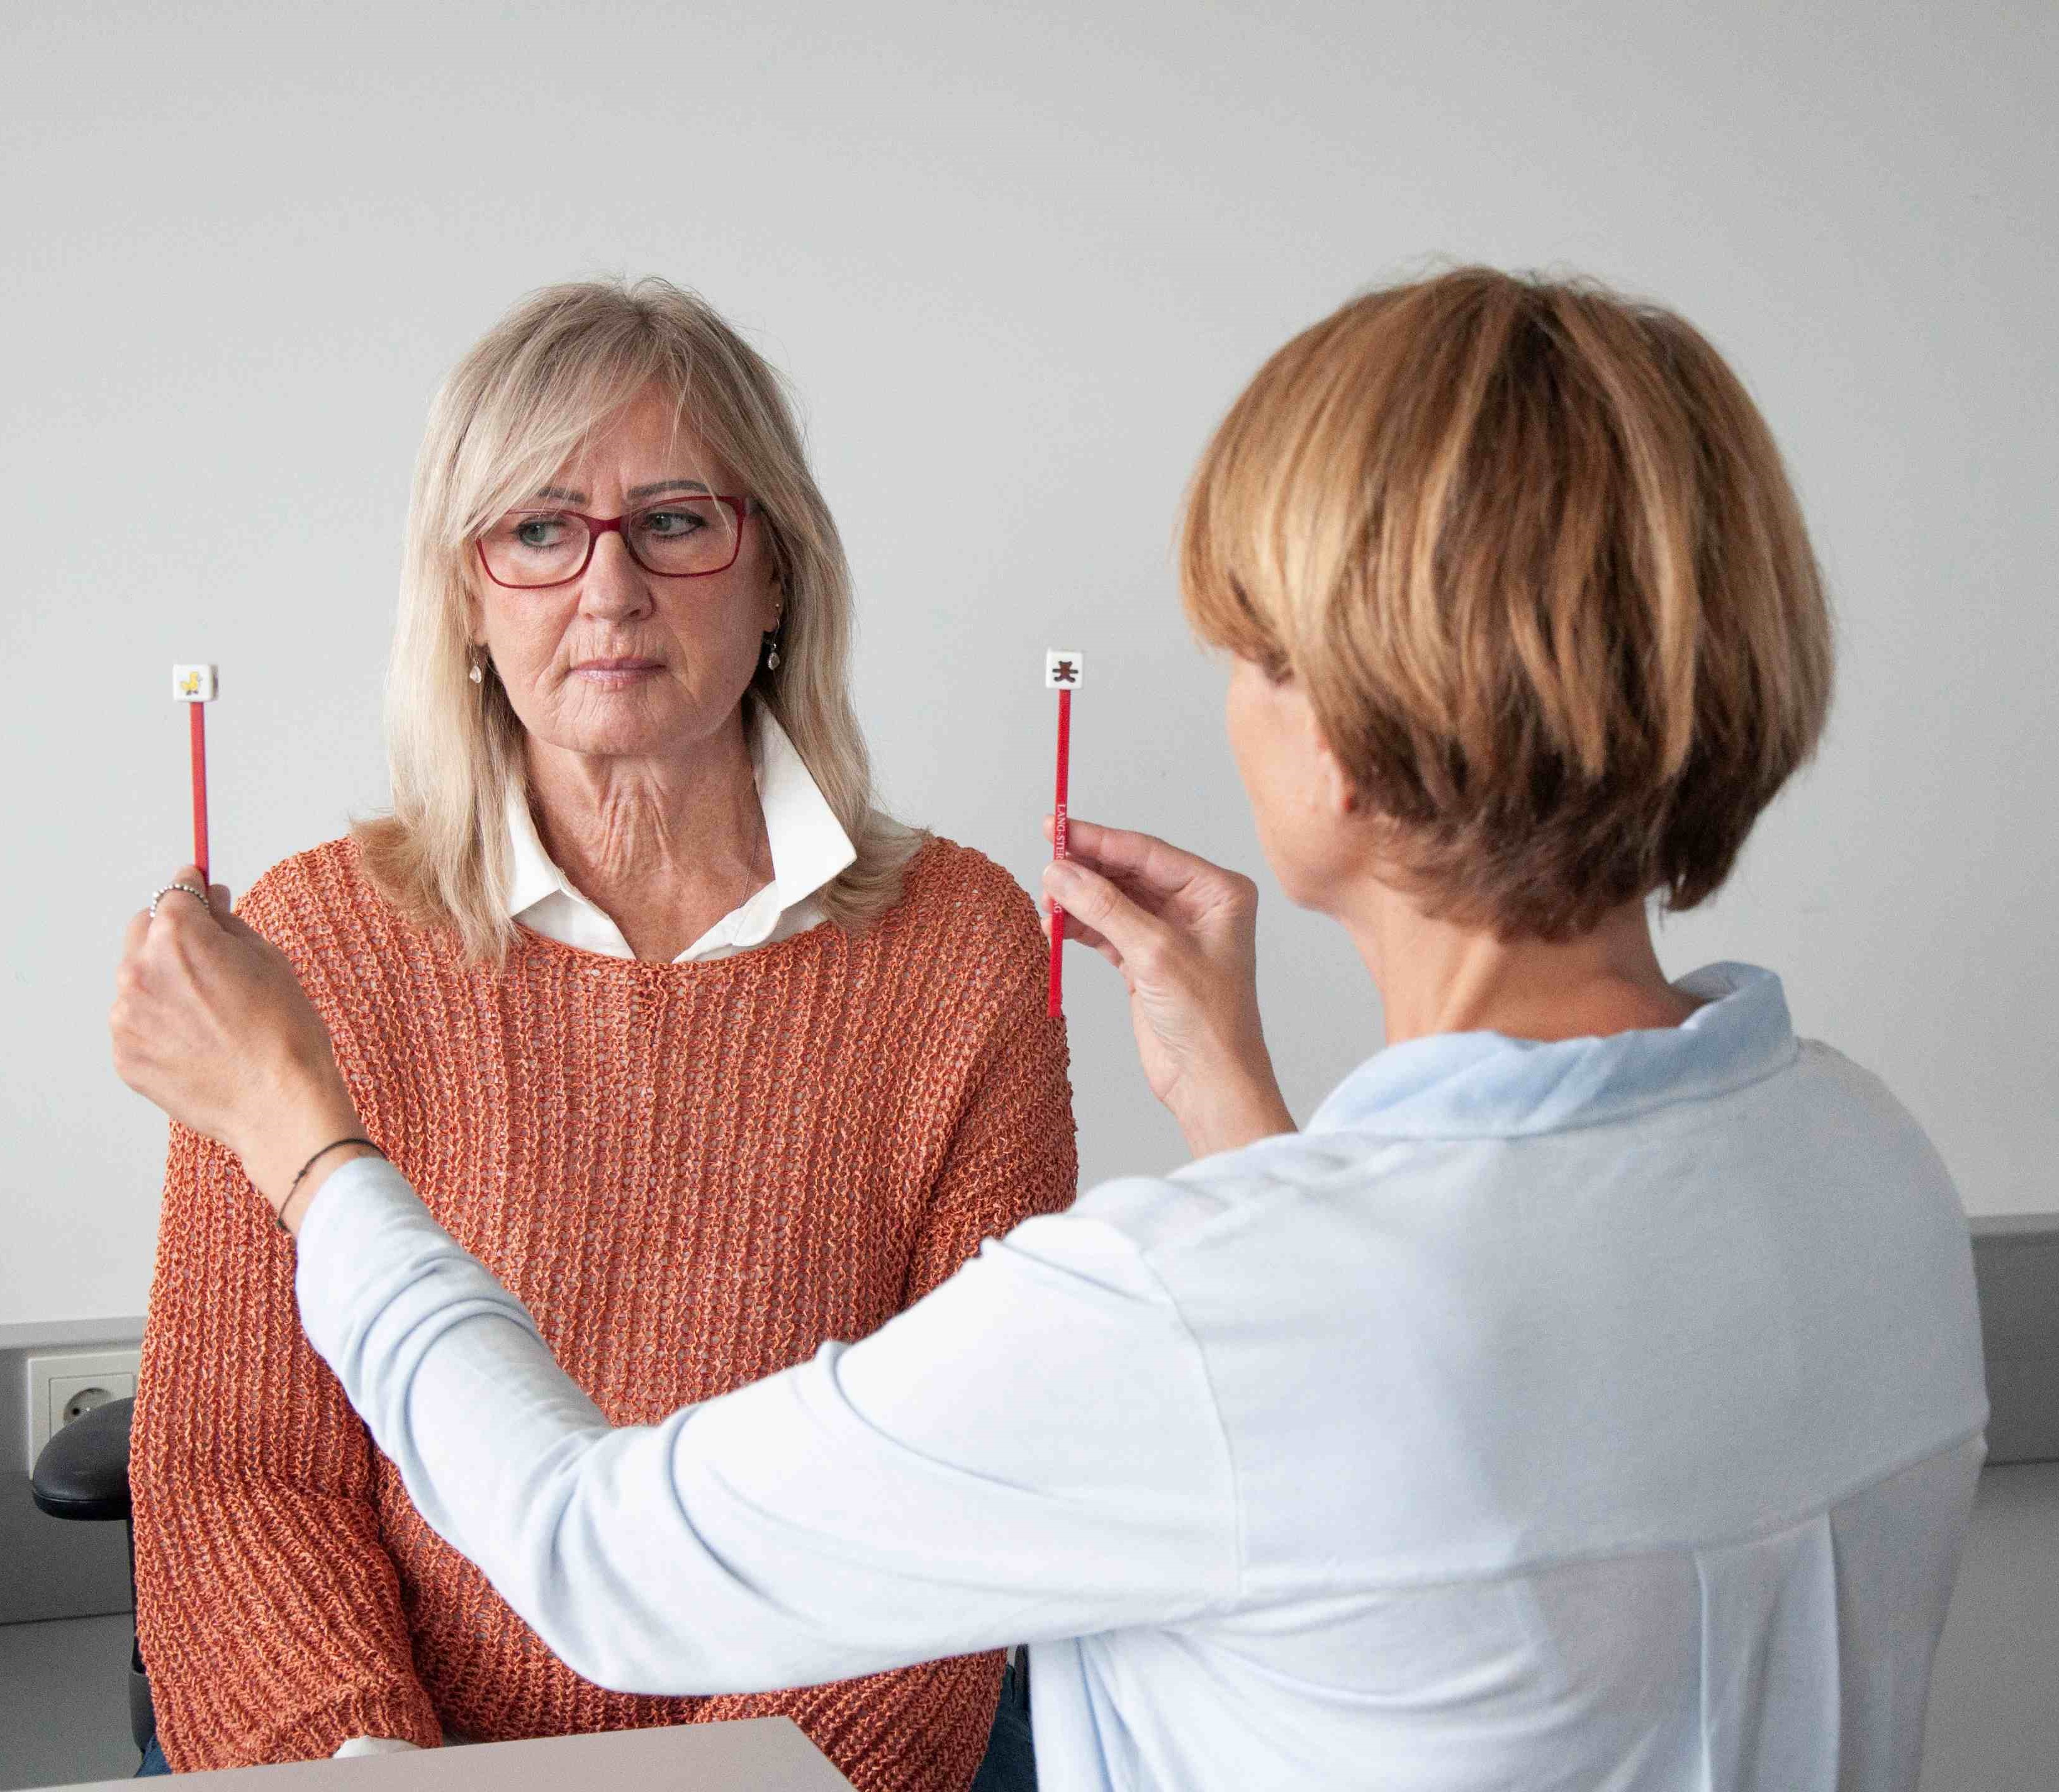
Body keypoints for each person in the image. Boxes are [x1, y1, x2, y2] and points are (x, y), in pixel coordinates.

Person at [116, 268, 1988, 1792]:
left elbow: (605, 1557)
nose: (607, 580)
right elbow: (1402, 1422)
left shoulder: (1194, 1288)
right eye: (539, 528)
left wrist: (306, 1136)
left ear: (1340, 733)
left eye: (1249, 644)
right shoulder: (1869, 1168)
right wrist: (1244, 1111)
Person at [125, 279, 1074, 1789]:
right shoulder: (305, 945)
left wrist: (752, 1776)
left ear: (778, 582)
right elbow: (240, 1469)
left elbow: (953, 1483)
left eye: (679, 521)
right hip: (394, 1740)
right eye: (541, 528)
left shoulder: (957, 946)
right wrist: (374, 1766)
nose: (609, 589)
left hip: (808, 1747)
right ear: (467, 597)